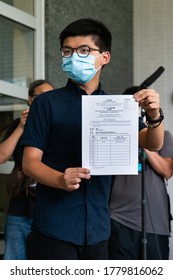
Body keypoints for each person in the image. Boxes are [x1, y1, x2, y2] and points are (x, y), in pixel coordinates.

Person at [21, 18, 164, 260]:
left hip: (98, 230)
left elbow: (152, 143)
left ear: (104, 57)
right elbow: (30, 162)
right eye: (68, 51)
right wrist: (59, 178)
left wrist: (154, 115)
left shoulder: (115, 106)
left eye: (84, 50)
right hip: (54, 229)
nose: (74, 56)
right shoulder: (46, 103)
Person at [108, 87, 173, 260]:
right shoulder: (114, 137)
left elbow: (166, 170)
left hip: (155, 222)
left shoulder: (164, 136)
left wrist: (145, 138)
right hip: (118, 218)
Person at [0, 79, 54, 260]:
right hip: (20, 208)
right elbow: (1, 157)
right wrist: (21, 128)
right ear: (30, 100)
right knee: (14, 263)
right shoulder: (18, 124)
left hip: (50, 207)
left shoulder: (58, 123)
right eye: (41, 97)